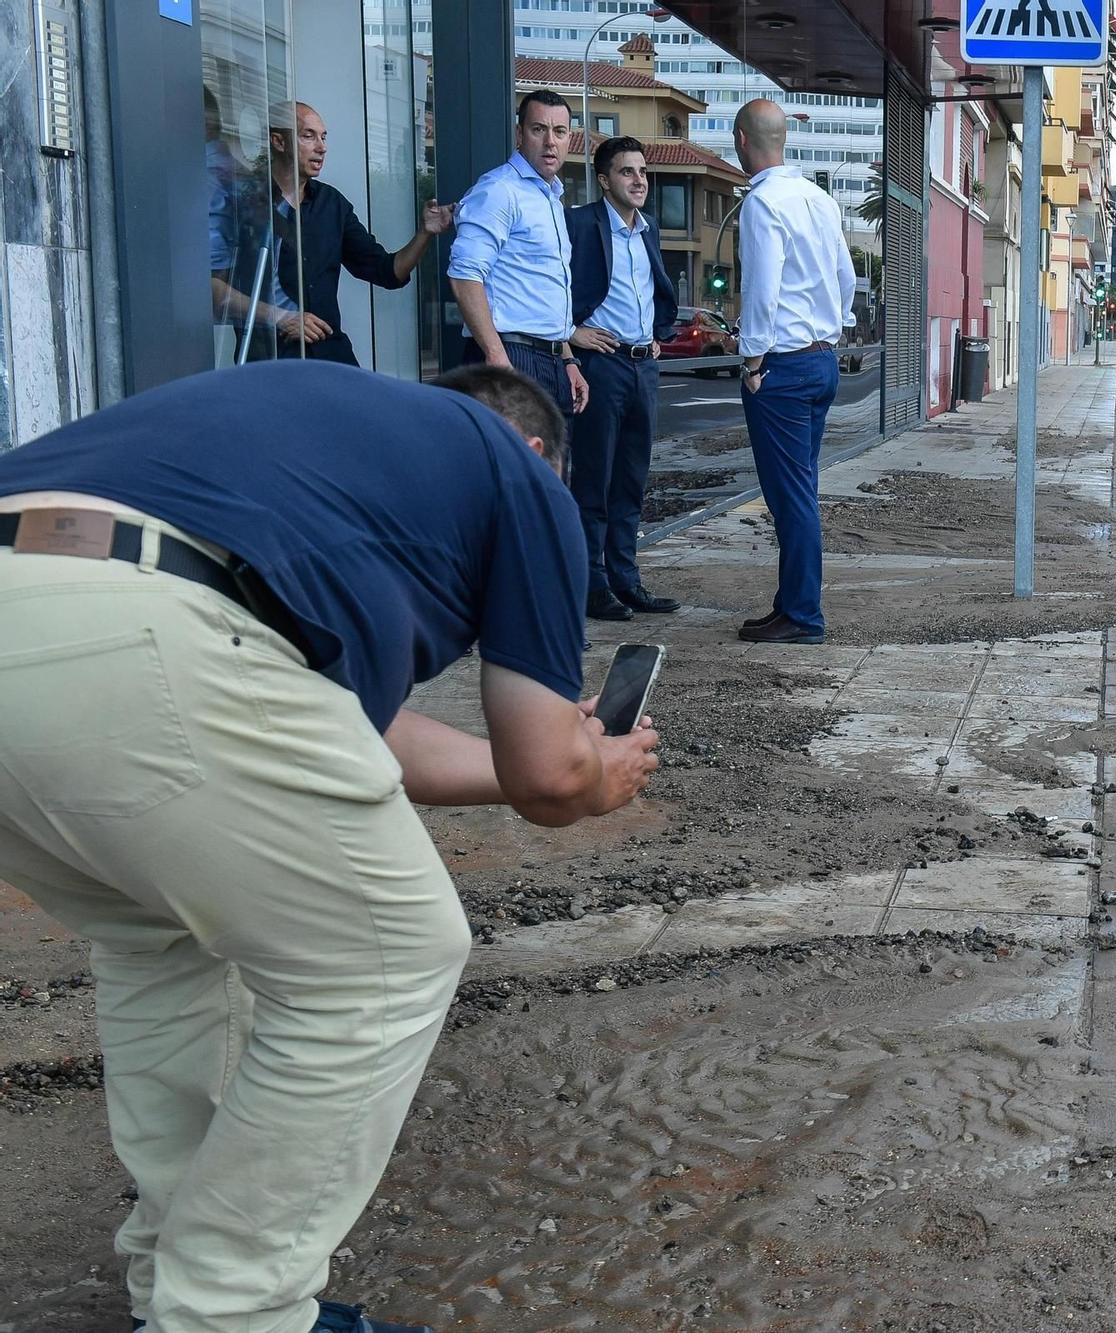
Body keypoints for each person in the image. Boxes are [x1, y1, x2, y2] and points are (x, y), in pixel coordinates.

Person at [0, 360, 660, 1333]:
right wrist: (590, 770)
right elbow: (547, 776)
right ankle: (233, 1314)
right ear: (536, 452)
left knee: (163, 942)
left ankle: (173, 1287)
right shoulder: (515, 470)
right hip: (160, 622)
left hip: (77, 609)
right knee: (384, 959)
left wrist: (545, 762)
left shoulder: (313, 459)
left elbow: (352, 739)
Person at [730, 98, 855, 645]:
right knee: (799, 489)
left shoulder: (763, 205)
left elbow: (762, 287)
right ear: (783, 140)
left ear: (740, 140)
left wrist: (753, 361)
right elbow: (845, 275)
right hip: (821, 359)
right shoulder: (818, 198)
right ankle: (791, 604)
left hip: (780, 367)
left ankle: (802, 615)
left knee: (791, 498)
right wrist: (835, 327)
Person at [566, 135, 680, 622]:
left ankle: (626, 580)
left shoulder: (647, 228)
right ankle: (593, 586)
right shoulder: (579, 224)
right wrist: (571, 332)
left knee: (632, 480)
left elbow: (652, 286)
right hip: (602, 365)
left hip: (642, 365)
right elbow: (553, 283)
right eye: (626, 172)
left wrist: (657, 334)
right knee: (594, 479)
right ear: (603, 180)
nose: (639, 180)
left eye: (642, 171)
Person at [256, 101, 453, 365]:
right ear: (278, 142)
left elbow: (386, 271)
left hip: (331, 356)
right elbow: (215, 292)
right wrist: (279, 316)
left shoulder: (332, 204)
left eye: (323, 137)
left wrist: (424, 233)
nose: (321, 147)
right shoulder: (245, 202)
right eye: (308, 136)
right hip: (271, 361)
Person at [448, 89, 589, 420]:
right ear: (519, 134)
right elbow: (465, 275)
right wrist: (496, 356)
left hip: (550, 359)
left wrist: (567, 359)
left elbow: (545, 293)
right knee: (512, 469)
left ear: (570, 138)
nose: (550, 142)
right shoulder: (499, 190)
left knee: (551, 471)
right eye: (538, 129)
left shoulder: (549, 198)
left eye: (560, 132)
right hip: (510, 353)